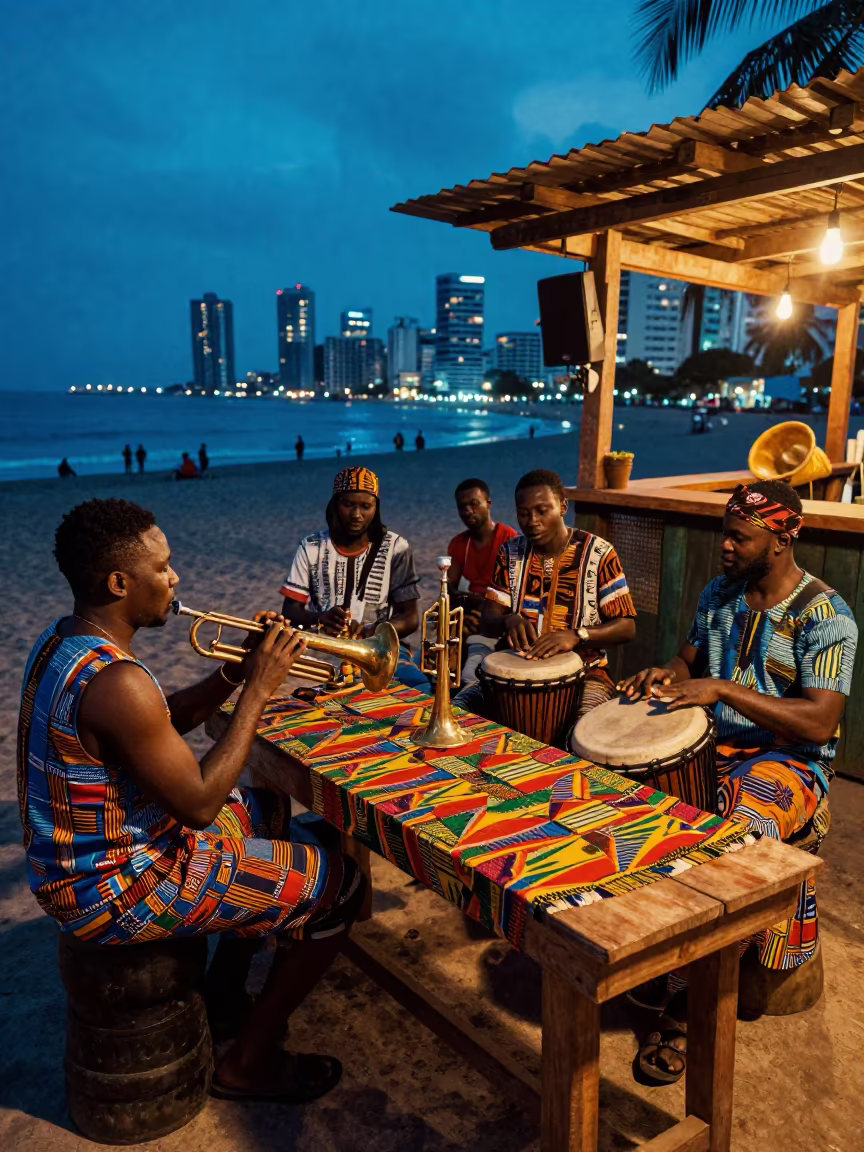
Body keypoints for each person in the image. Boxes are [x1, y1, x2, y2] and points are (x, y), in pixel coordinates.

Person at [18, 498, 366, 1104]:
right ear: (119, 582)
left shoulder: (65, 643)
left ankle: (225, 997)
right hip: (118, 886)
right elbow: (200, 804)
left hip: (90, 857)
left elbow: (162, 721)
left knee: (268, 810)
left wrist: (234, 673)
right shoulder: (117, 681)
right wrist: (260, 688)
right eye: (164, 567)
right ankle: (248, 1063)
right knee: (341, 888)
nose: (175, 578)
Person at [619, 480, 857, 1084]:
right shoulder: (719, 593)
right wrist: (663, 675)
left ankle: (685, 998)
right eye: (724, 532)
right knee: (633, 803)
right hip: (714, 747)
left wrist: (725, 690)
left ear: (779, 541)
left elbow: (821, 719)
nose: (723, 545)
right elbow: (688, 661)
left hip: (791, 763)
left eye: (737, 536)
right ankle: (635, 950)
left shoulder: (827, 617)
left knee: (735, 828)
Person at [453, 469, 636, 727]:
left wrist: (577, 635)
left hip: (586, 673)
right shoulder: (510, 552)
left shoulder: (599, 553)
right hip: (513, 670)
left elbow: (627, 627)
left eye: (542, 510)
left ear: (562, 506)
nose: (532, 521)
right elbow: (488, 617)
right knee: (458, 714)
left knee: (584, 731)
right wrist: (509, 620)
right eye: (524, 513)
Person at [280, 467, 428, 690]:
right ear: (335, 505)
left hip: (380, 651)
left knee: (420, 688)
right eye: (348, 504)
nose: (356, 514)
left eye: (365, 506)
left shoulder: (397, 548)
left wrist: (377, 633)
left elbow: (410, 618)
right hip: (323, 650)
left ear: (376, 508)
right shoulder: (311, 547)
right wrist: (321, 618)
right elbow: (290, 613)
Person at [446, 478, 517, 683]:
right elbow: (450, 587)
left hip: (498, 610)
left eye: (474, 504)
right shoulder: (459, 543)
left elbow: (514, 591)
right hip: (470, 610)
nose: (468, 511)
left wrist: (479, 603)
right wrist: (468, 602)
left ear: (489, 503)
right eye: (462, 506)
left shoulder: (508, 538)